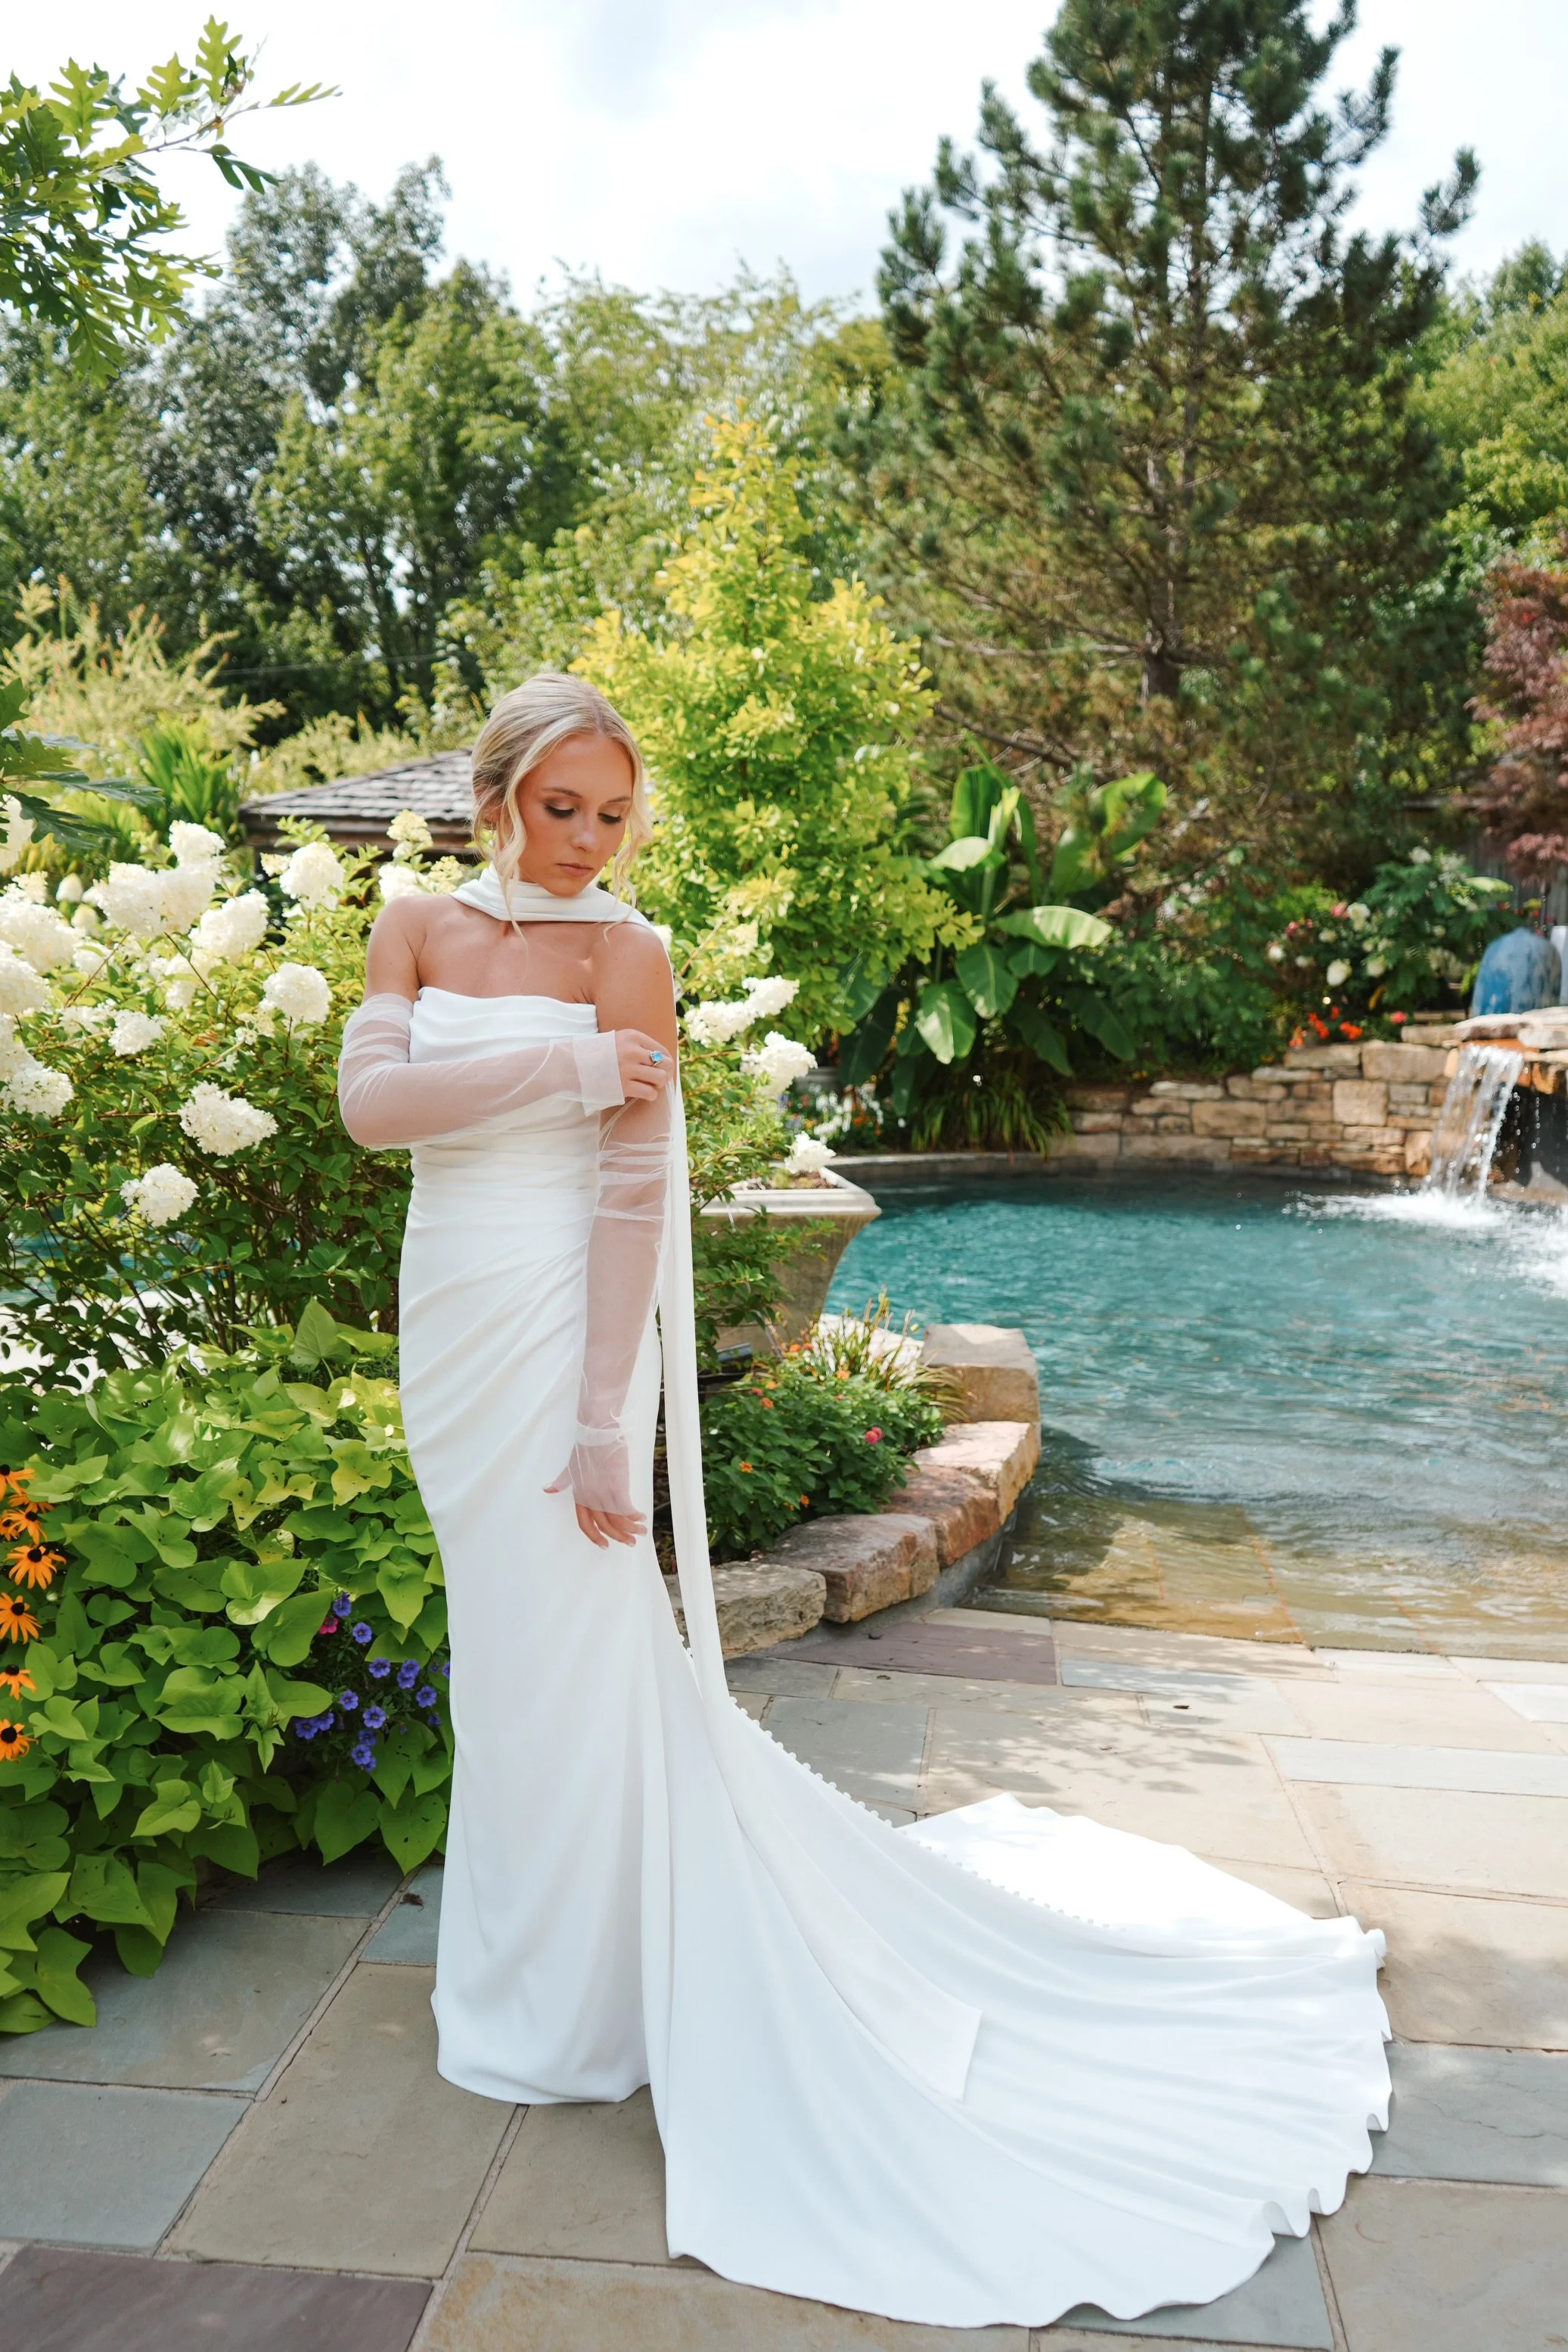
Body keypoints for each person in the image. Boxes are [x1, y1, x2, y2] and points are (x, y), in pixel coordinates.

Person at [337, 672, 1390, 2331]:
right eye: (563, 810)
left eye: (616, 816)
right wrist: (561, 1073)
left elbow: (629, 1201)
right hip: (452, 1326)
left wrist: (613, 1421)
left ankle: (582, 2006)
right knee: (507, 1657)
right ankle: (540, 1982)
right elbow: (370, 1110)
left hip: (558, 1333)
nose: (589, 843)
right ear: (496, 799)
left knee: (574, 1649)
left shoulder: (635, 954)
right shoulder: (413, 929)